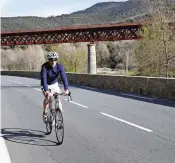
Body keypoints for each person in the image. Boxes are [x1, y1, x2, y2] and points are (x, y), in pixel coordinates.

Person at [40, 52, 69, 123]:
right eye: (51, 59)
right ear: (48, 60)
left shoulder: (60, 66)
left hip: (55, 84)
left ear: (57, 60)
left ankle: (59, 116)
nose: (53, 61)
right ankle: (45, 113)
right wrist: (46, 91)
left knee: (58, 98)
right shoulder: (44, 67)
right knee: (48, 98)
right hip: (46, 84)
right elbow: (43, 79)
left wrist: (66, 89)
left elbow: (64, 77)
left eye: (55, 59)